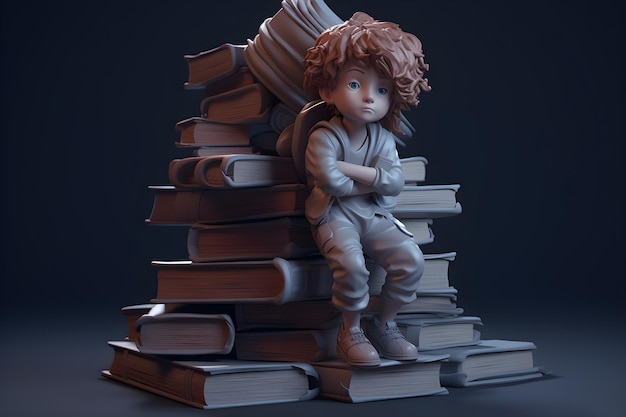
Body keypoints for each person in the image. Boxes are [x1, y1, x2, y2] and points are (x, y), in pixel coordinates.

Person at [302, 12, 431, 366]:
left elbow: (395, 182)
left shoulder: (383, 137)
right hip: (333, 214)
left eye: (382, 89)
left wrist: (351, 171)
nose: (369, 98)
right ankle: (350, 330)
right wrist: (370, 177)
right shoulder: (324, 136)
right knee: (353, 266)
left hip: (373, 214)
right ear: (328, 88)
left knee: (410, 260)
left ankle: (385, 323)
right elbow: (332, 184)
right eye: (355, 85)